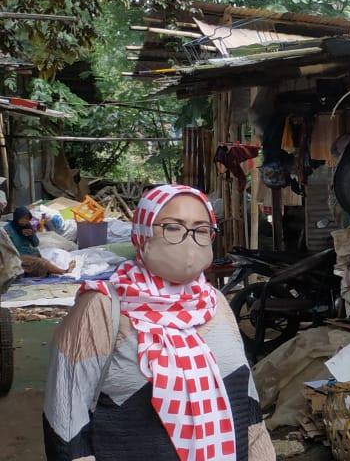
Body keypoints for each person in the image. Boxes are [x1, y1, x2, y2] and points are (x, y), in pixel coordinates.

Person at [44, 184, 275, 461]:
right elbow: (64, 426)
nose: (189, 241)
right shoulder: (101, 309)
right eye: (172, 227)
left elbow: (247, 404)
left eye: (201, 229)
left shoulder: (215, 303)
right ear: (142, 234)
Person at [5, 206, 74, 277]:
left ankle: (61, 270)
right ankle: (64, 271)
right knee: (42, 263)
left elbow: (36, 243)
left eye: (27, 219)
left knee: (47, 261)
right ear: (17, 217)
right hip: (17, 257)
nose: (25, 221)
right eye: (23, 218)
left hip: (30, 253)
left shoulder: (27, 226)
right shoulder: (8, 229)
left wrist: (31, 235)